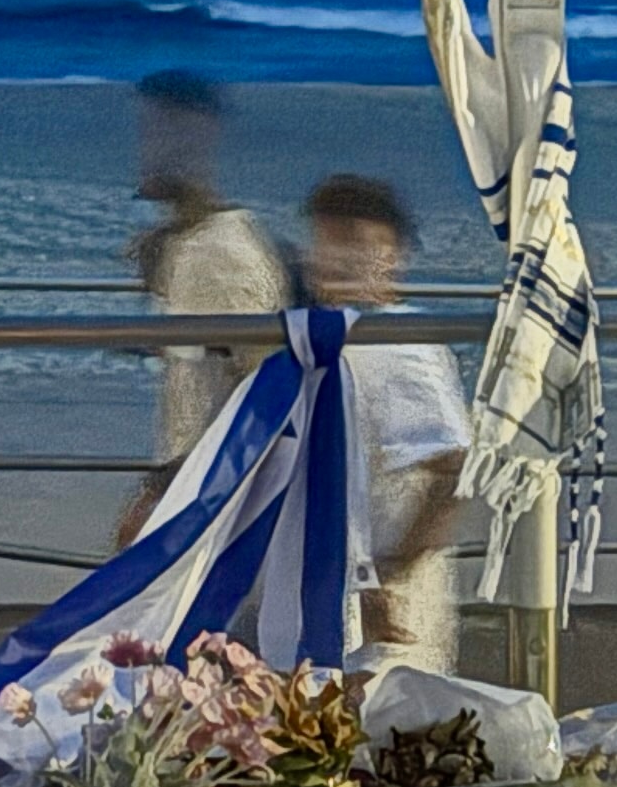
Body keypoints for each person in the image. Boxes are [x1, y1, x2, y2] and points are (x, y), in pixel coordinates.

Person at [298, 174, 471, 670]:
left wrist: (390, 575)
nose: (335, 260)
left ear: (394, 254)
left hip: (388, 603)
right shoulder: (337, 340)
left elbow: (452, 471)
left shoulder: (399, 342)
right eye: (325, 242)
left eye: (355, 244)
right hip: (349, 589)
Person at [119, 73, 288, 543]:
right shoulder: (188, 245)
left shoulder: (219, 253)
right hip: (196, 482)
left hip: (205, 492)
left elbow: (259, 382)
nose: (146, 149)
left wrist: (167, 488)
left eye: (160, 132)